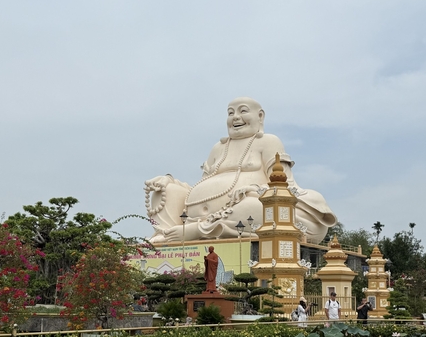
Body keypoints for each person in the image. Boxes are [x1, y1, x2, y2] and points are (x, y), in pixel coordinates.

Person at [144, 97, 337, 244]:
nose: (235, 117)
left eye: (242, 111)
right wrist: (169, 181)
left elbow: (283, 185)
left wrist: (254, 190)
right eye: (230, 113)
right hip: (194, 215)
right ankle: (167, 233)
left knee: (255, 208)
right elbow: (200, 184)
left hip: (246, 207)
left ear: (260, 116)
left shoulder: (268, 141)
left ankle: (196, 231)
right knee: (167, 190)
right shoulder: (218, 148)